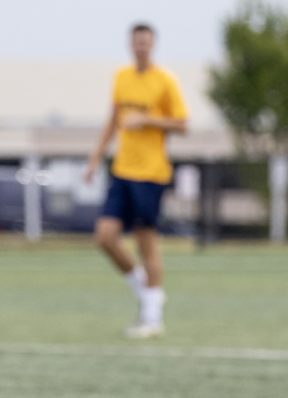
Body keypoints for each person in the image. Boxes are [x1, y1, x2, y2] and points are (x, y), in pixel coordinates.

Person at [86, 23, 188, 338]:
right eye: (136, 42)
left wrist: (147, 119)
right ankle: (146, 289)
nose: (141, 47)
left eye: (146, 42)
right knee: (105, 236)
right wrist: (95, 158)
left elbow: (182, 123)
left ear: (152, 44)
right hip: (122, 170)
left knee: (147, 243)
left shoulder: (165, 80)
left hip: (151, 174)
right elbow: (112, 121)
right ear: (131, 44)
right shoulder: (122, 77)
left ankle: (152, 317)